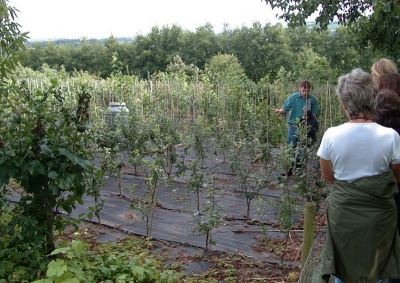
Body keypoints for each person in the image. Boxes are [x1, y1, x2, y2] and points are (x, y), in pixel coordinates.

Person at [317, 68, 400, 283]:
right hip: (379, 217)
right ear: (373, 98)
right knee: (378, 268)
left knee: (344, 268)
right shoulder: (390, 136)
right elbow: (397, 177)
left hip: (344, 214)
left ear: (345, 104)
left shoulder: (331, 136)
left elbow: (328, 176)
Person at [273, 80, 319, 175]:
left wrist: (309, 116)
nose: (305, 93)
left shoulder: (313, 100)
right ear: (300, 89)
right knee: (291, 148)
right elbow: (285, 108)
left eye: (307, 90)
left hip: (306, 127)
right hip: (294, 125)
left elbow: (316, 113)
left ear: (310, 90)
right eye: (303, 90)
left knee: (303, 150)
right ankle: (288, 170)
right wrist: (280, 111)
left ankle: (298, 170)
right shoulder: (293, 98)